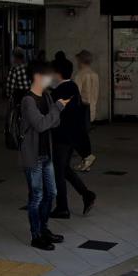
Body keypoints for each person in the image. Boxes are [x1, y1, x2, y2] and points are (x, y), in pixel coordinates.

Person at [18, 63, 71, 250]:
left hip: (46, 153)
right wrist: (57, 108)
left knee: (52, 193)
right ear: (37, 77)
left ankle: (44, 228)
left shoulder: (47, 96)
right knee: (36, 196)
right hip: (33, 156)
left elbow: (54, 123)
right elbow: (41, 125)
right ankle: (36, 235)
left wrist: (53, 113)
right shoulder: (28, 101)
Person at [49, 59, 96, 219]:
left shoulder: (59, 91)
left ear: (58, 73)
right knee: (65, 169)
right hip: (72, 137)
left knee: (58, 172)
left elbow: (53, 114)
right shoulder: (73, 87)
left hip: (61, 137)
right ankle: (86, 194)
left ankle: (62, 208)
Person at [74, 49, 100, 171]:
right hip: (91, 108)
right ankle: (86, 162)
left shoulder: (80, 75)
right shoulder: (95, 75)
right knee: (84, 135)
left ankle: (88, 157)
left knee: (77, 136)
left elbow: (75, 93)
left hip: (81, 108)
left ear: (80, 60)